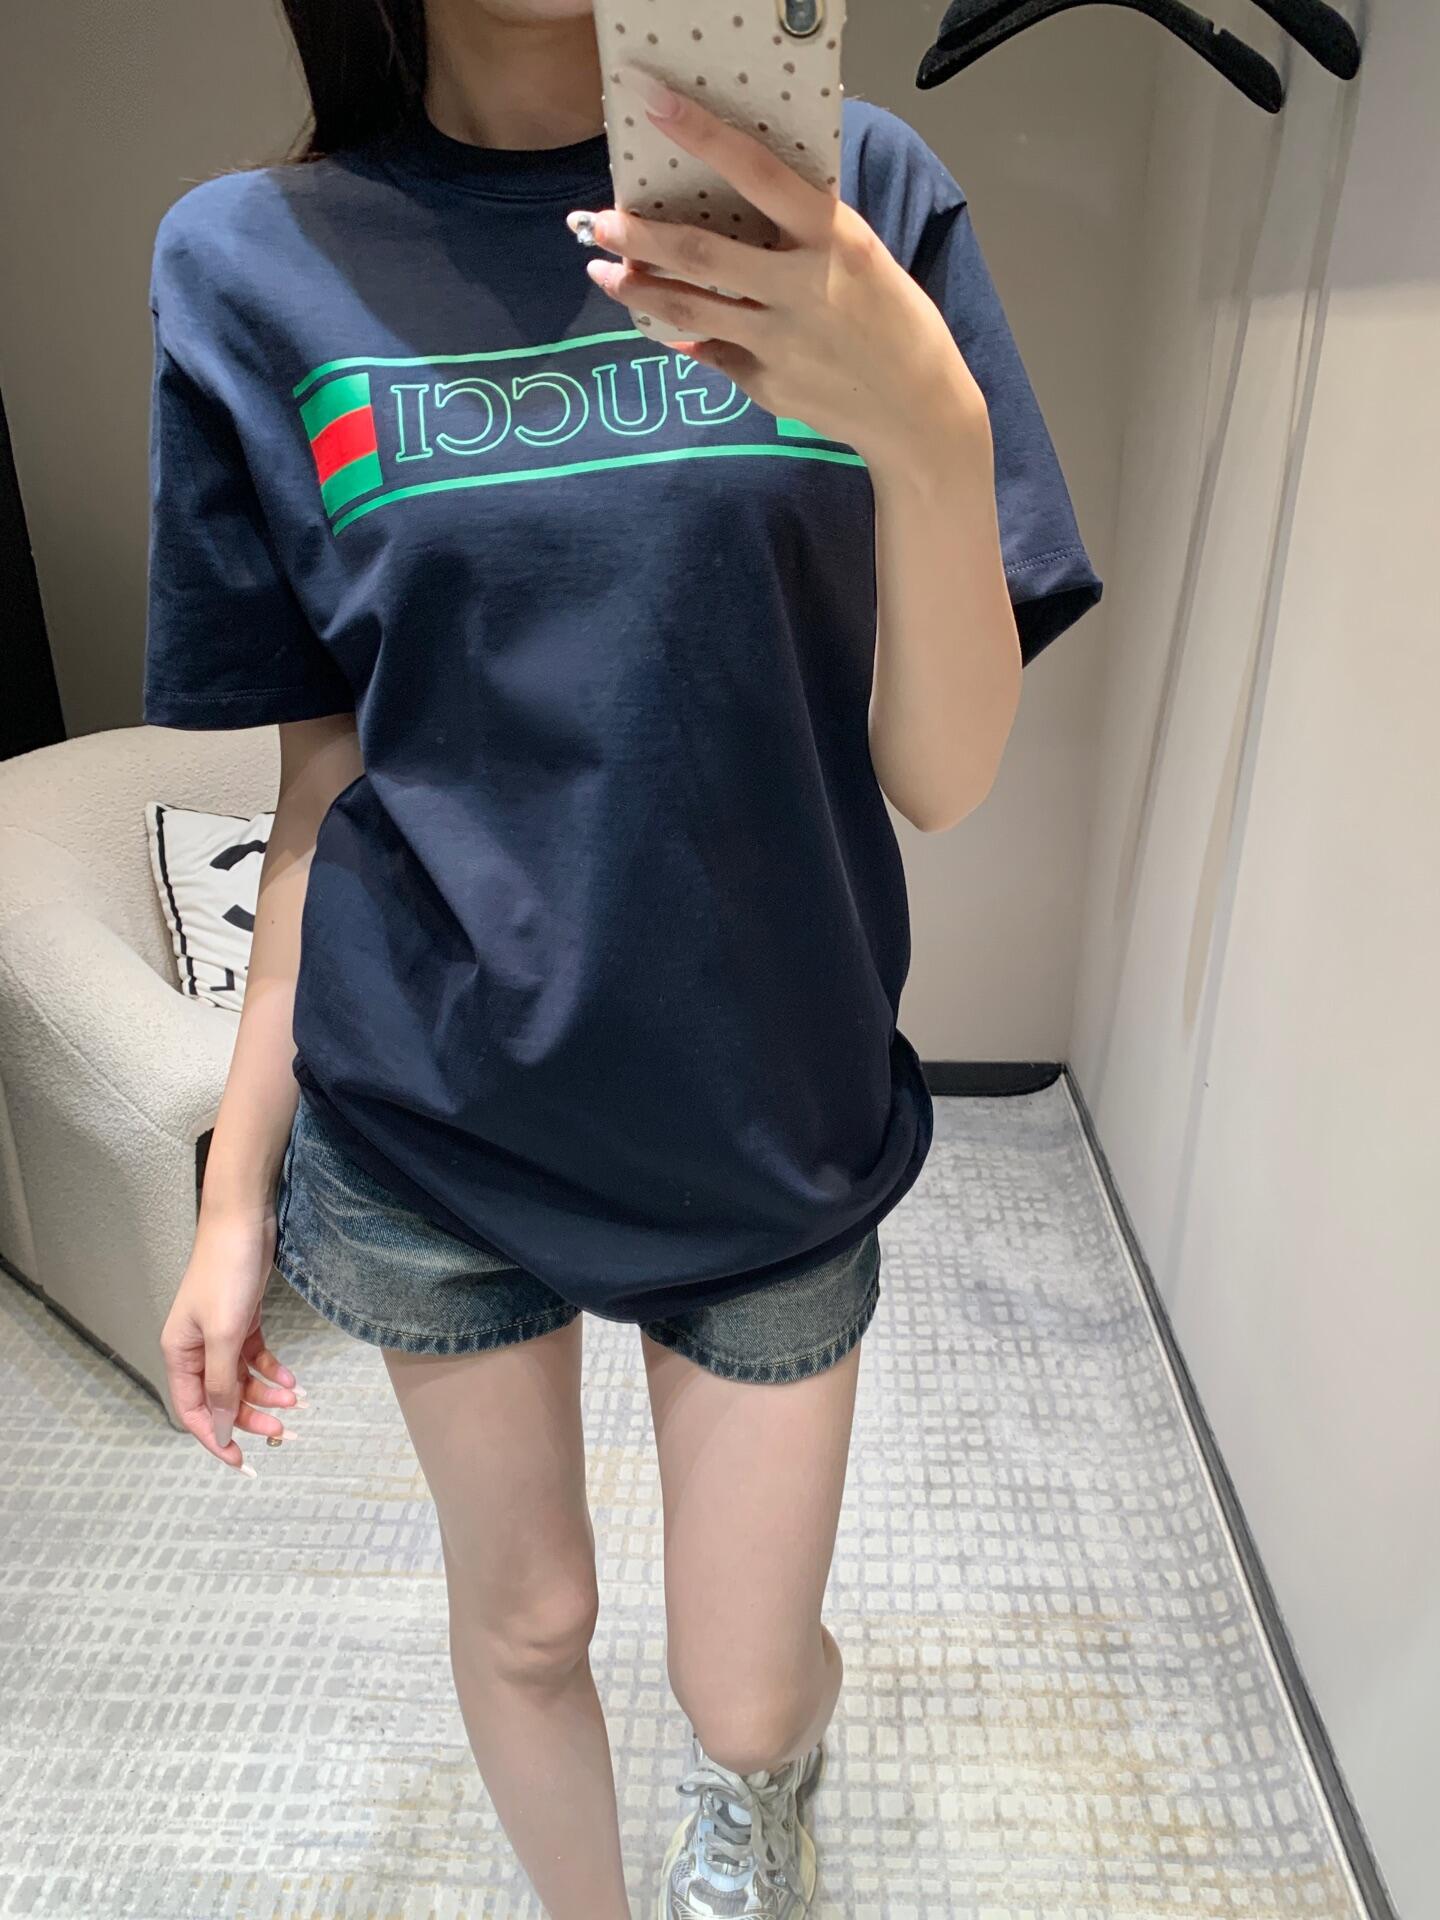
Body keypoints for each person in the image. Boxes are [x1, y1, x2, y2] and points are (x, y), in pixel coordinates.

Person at [143, 2, 1101, 1914]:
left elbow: (940, 774)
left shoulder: (849, 197)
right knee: (527, 1624)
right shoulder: (247, 261)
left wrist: (929, 426)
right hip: (424, 1112)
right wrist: (234, 1196)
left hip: (770, 1091)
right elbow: (325, 778)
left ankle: (761, 1788)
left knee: (744, 1688)